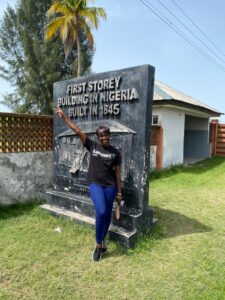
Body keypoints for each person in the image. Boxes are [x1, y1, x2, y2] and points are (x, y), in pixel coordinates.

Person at [55, 106, 122, 262]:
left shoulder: (116, 153)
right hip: (95, 184)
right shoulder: (92, 146)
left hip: (111, 186)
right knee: (101, 211)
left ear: (109, 136)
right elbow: (77, 130)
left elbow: (118, 173)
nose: (104, 138)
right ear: (98, 137)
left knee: (106, 216)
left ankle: (102, 242)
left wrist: (119, 192)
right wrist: (64, 116)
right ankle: (98, 245)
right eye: (101, 136)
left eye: (106, 135)